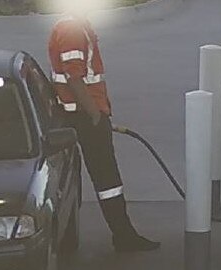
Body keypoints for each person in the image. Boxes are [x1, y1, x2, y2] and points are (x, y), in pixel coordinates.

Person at [48, 0, 161, 252]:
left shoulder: (75, 26)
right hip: (85, 117)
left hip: (82, 115)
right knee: (107, 179)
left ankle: (122, 233)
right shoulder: (73, 30)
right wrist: (95, 115)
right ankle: (123, 235)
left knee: (102, 177)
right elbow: (74, 76)